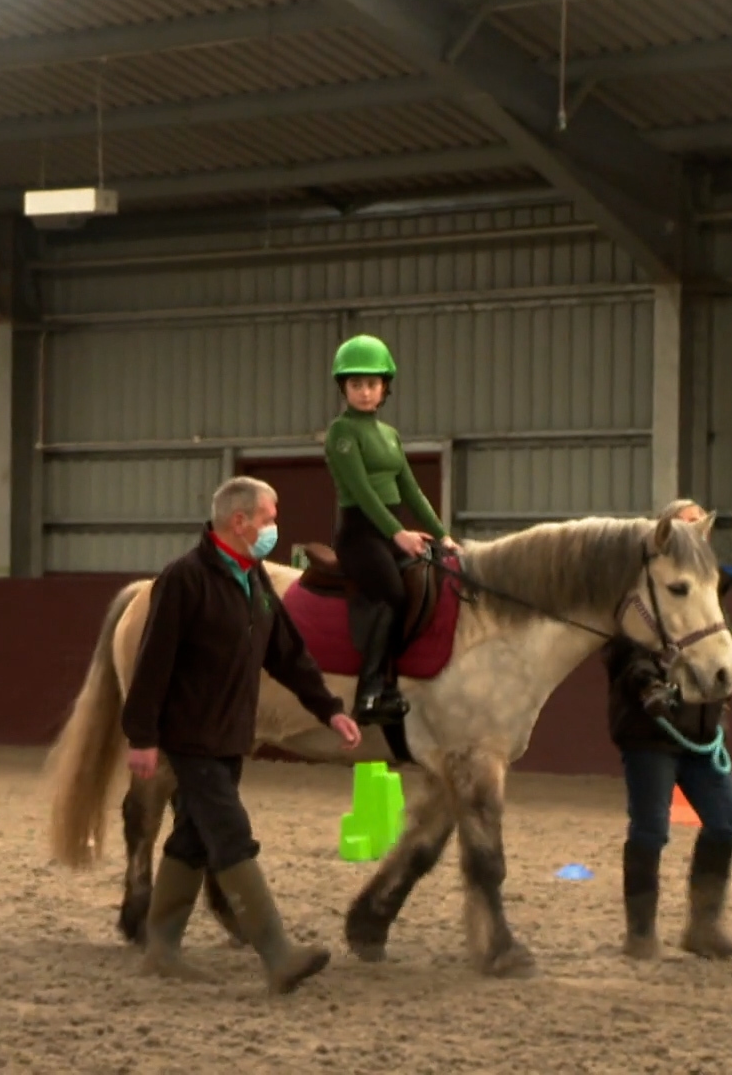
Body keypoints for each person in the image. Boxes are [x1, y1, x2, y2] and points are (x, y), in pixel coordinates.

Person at [121, 476, 359, 994]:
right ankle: (278, 955)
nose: (274, 528)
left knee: (192, 837)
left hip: (231, 734)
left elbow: (286, 654)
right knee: (230, 834)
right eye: (269, 519)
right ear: (239, 521)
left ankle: (161, 948)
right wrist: (141, 737)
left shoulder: (252, 581)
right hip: (190, 735)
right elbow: (152, 662)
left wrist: (329, 709)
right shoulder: (184, 580)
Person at [608, 499, 732, 962]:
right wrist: (648, 685)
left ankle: (704, 926)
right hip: (651, 733)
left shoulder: (704, 592)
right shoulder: (643, 592)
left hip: (700, 729)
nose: (698, 536)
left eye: (700, 529)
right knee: (651, 829)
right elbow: (626, 653)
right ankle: (640, 935)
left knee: (727, 817)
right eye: (687, 528)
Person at [322, 334, 454, 726]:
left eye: (372, 384)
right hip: (360, 535)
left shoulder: (390, 435)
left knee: (432, 580)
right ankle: (370, 692)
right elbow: (362, 492)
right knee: (393, 594)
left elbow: (410, 489)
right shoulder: (341, 432)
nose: (365, 392)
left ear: (384, 388)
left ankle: (404, 682)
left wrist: (442, 535)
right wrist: (399, 534)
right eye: (356, 384)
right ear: (344, 389)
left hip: (388, 528)